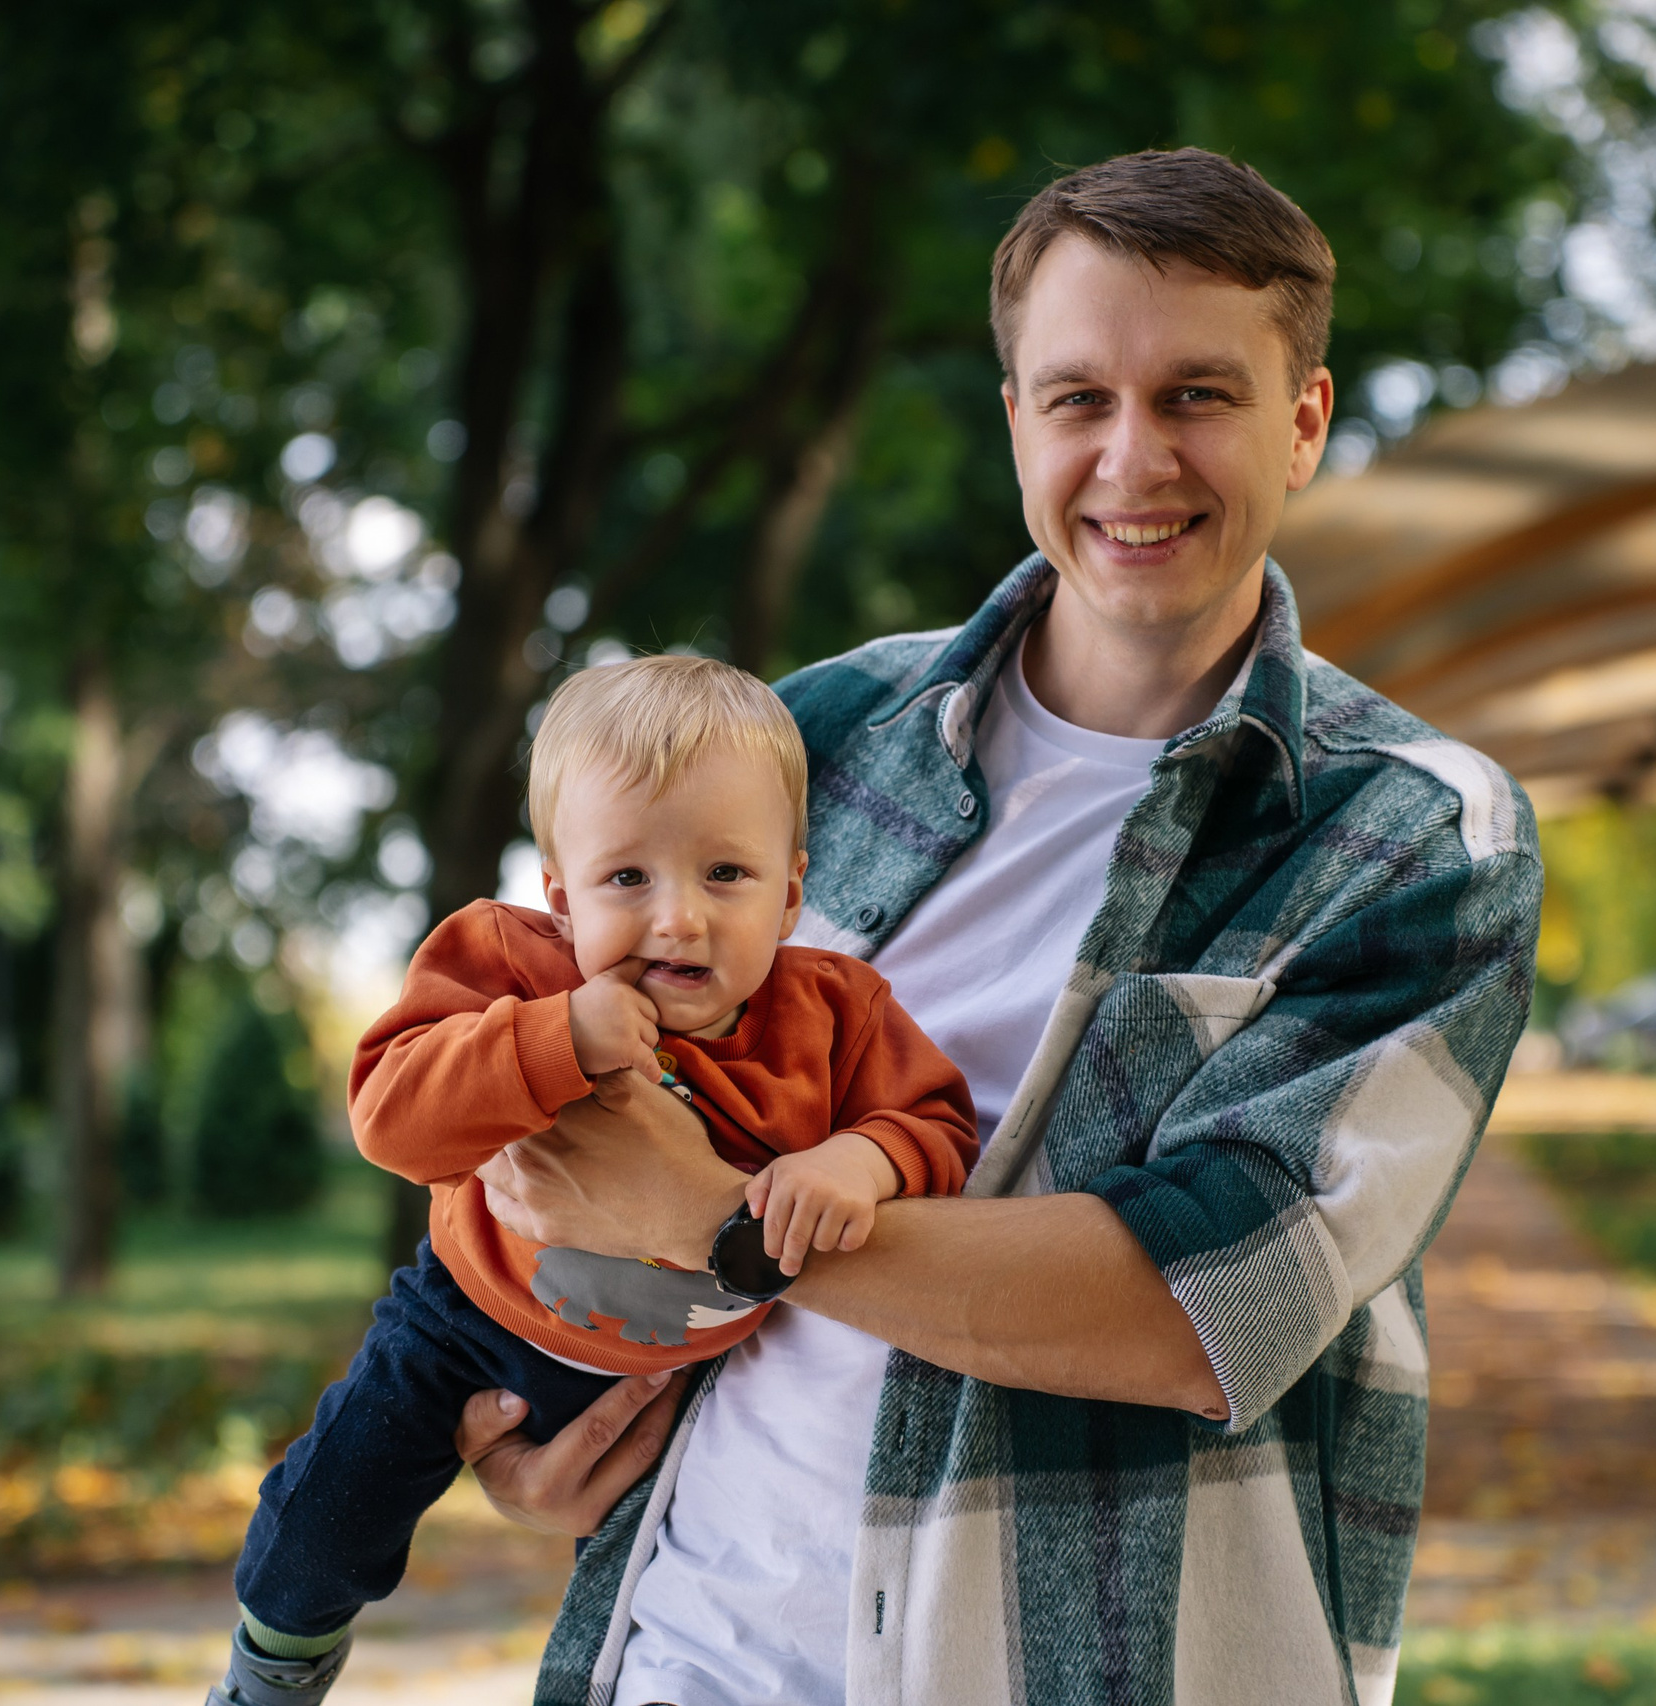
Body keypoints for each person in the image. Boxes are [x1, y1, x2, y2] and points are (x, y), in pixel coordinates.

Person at [452, 148, 1544, 1706]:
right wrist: (548, 1401)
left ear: (1303, 423)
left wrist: (715, 1216)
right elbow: (559, 1111)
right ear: (1016, 415)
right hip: (693, 1651)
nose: (1132, 458)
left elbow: (1208, 1306)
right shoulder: (811, 735)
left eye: (1198, 397)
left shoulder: (1416, 838)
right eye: (1078, 396)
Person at [207, 656, 978, 1706]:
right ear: (559, 895)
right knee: (331, 1511)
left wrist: (862, 1158)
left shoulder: (838, 1013)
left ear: (792, 892)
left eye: (725, 874)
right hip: (470, 1313)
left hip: (680, 1379)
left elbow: (935, 1120)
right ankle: (273, 1663)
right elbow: (389, 1113)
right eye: (628, 879)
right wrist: (551, 1037)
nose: (678, 918)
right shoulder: (512, 965)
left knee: (633, 1575)